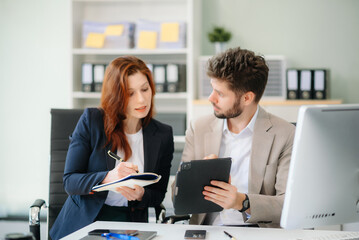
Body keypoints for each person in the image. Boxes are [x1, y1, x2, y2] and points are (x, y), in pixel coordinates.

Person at [50, 56, 174, 239]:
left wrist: (141, 195)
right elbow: (70, 181)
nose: (141, 99)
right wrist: (109, 177)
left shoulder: (163, 134)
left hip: (129, 225)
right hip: (85, 221)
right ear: (116, 95)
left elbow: (158, 195)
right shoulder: (92, 121)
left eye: (145, 89)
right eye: (130, 93)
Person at [175, 47, 295, 227]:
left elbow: (288, 204)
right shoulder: (198, 128)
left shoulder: (285, 134)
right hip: (208, 231)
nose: (211, 98)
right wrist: (195, 176)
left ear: (247, 98)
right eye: (212, 89)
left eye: (220, 93)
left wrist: (241, 202)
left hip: (259, 232)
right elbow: (175, 196)